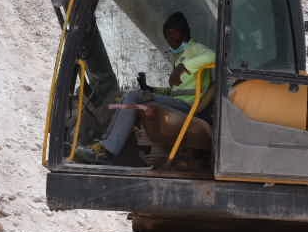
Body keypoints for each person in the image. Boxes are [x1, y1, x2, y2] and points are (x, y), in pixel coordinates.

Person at [76, 12, 216, 163]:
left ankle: (107, 151)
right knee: (127, 97)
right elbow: (176, 92)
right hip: (179, 102)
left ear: (176, 33)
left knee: (134, 96)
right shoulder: (182, 55)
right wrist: (151, 89)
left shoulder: (196, 49)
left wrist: (184, 67)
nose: (168, 43)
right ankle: (105, 144)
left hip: (187, 106)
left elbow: (214, 57)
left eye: (168, 37)